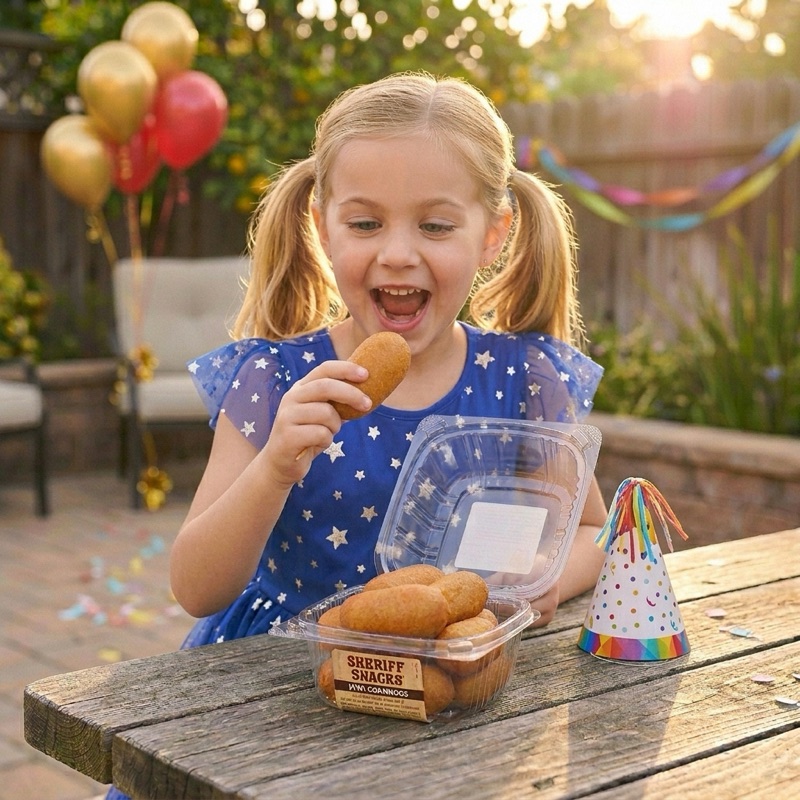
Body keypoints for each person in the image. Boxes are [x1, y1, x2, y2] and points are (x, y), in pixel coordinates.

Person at [104, 68, 609, 800]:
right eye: (366, 223)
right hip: (269, 699)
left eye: (435, 225)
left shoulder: (527, 378)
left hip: (452, 700)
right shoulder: (273, 378)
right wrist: (276, 464)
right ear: (321, 224)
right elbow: (195, 586)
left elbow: (593, 530)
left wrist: (538, 584)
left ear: (494, 234)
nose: (398, 253)